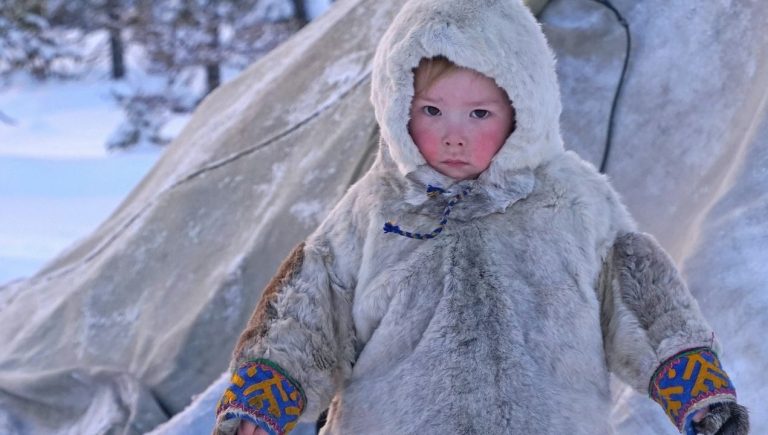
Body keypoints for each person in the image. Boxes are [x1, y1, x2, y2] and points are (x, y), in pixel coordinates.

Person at [213, 0, 749, 434]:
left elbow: (641, 299)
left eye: (479, 113)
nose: (454, 135)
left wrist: (693, 386)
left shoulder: (573, 202)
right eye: (431, 111)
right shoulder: (374, 207)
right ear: (397, 106)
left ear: (523, 110)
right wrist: (264, 397)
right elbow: (308, 311)